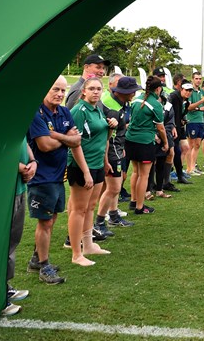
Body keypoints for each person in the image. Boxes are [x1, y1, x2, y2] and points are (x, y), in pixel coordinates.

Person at [26, 76, 81, 284]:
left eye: (62, 91)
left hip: (58, 176)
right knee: (45, 221)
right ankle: (44, 265)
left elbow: (77, 140)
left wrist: (56, 135)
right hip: (41, 178)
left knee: (52, 219)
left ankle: (35, 258)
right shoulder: (36, 113)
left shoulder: (65, 111)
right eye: (55, 90)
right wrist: (64, 137)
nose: (59, 94)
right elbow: (44, 145)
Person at [67, 78, 111, 266]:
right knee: (79, 209)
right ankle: (76, 253)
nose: (95, 92)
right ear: (83, 91)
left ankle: (89, 245)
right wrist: (85, 172)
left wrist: (105, 162)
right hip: (81, 166)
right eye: (91, 88)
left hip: (97, 164)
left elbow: (100, 138)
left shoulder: (98, 110)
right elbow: (74, 144)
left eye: (98, 89)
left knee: (91, 207)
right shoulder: (79, 111)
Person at [99, 75, 141, 229]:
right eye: (132, 91)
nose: (134, 94)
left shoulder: (119, 103)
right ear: (123, 92)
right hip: (112, 151)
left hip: (117, 150)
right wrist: (111, 155)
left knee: (114, 187)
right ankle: (100, 221)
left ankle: (113, 216)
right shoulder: (113, 109)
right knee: (113, 188)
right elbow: (108, 136)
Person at [125, 76, 168, 215]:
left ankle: (133, 200)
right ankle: (140, 206)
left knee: (136, 172)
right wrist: (166, 142)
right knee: (144, 175)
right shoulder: (155, 104)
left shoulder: (136, 99)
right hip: (144, 142)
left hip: (130, 139)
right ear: (158, 89)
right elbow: (161, 128)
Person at [3, 140, 35, 316]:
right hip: (4, 190)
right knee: (1, 245)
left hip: (19, 187)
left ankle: (4, 288)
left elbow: (23, 140)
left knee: (13, 241)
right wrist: (17, 165)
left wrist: (33, 162)